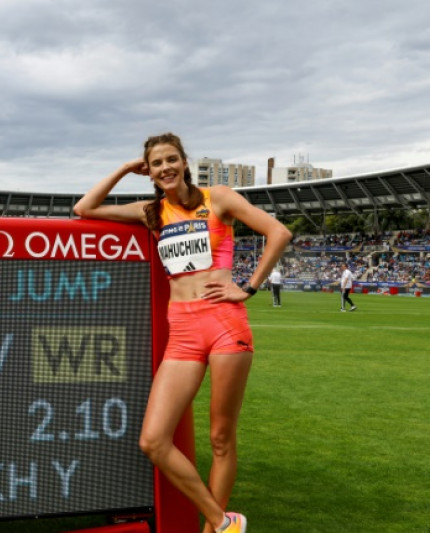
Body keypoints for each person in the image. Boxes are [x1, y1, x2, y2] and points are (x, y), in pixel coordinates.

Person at [74, 133, 292, 533]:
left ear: (185, 161)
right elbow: (84, 208)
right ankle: (224, 521)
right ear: (150, 171)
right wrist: (124, 169)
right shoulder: (151, 211)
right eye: (156, 164)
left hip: (225, 323)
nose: (165, 168)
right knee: (153, 440)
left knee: (221, 436)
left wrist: (247, 286)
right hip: (184, 330)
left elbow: (278, 233)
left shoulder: (219, 197)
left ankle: (214, 530)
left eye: (171, 159)